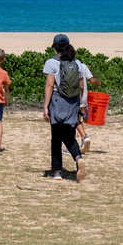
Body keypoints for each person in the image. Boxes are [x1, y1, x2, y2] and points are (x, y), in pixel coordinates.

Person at [43, 42, 87, 181]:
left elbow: (50, 85)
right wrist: (81, 105)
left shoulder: (51, 62)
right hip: (73, 102)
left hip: (57, 100)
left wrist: (45, 106)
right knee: (69, 135)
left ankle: (57, 171)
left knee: (56, 136)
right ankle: (78, 157)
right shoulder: (78, 63)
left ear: (56, 49)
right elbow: (81, 86)